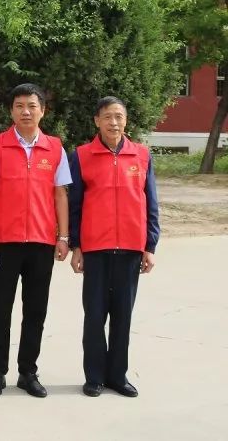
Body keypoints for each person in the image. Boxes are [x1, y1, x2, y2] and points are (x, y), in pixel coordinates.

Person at [0, 83, 71, 398]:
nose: (26, 112)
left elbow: (60, 194)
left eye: (32, 106)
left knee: (35, 310)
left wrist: (63, 236)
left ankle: (28, 372)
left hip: (42, 242)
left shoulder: (55, 148)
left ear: (43, 110)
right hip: (4, 242)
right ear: (11, 111)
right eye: (19, 106)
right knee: (1, 309)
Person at [69, 96, 159, 398]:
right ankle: (94, 377)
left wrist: (150, 245)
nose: (113, 122)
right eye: (107, 116)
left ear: (126, 120)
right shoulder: (82, 155)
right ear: (97, 121)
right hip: (95, 249)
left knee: (123, 316)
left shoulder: (141, 155)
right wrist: (76, 245)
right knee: (95, 316)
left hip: (131, 249)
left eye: (119, 116)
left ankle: (118, 376)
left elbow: (151, 203)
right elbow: (75, 206)